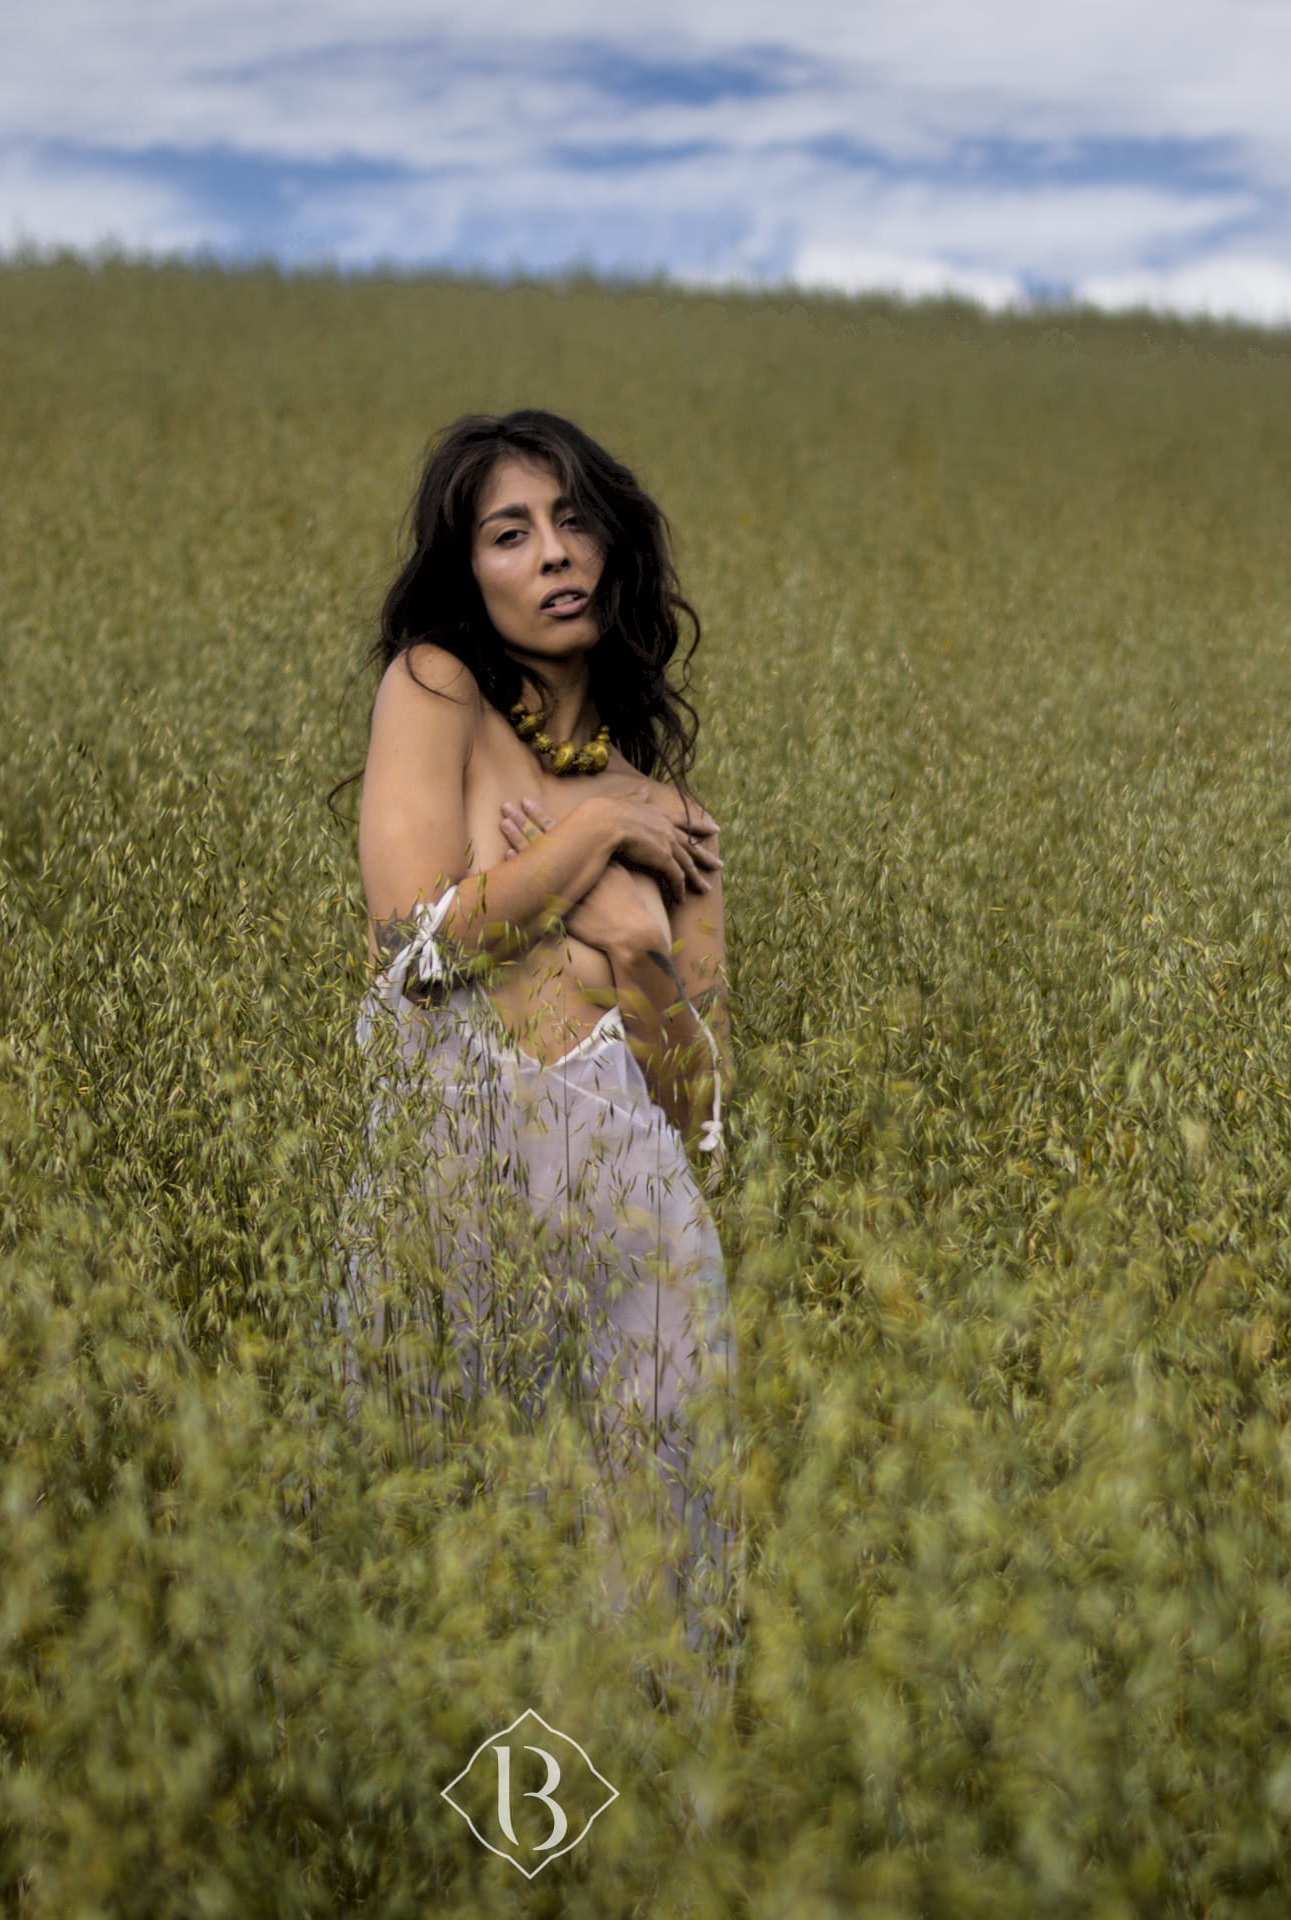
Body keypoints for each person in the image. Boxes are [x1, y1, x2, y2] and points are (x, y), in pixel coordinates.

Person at [328, 408, 742, 1678]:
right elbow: (415, 945)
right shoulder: (435, 689)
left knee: (645, 1600)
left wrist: (635, 952)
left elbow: (704, 1119)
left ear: (614, 556)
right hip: (456, 1212)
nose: (554, 553)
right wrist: (587, 845)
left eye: (576, 523)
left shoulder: (680, 823)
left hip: (645, 1252)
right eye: (512, 533)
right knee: (438, 1575)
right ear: (470, 576)